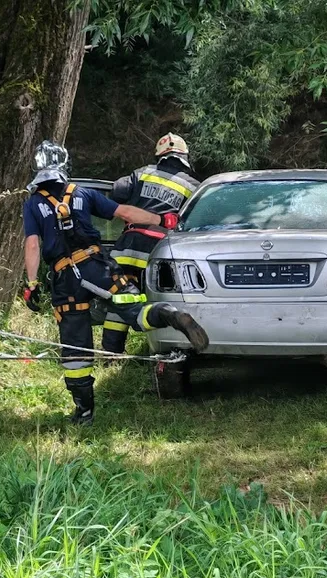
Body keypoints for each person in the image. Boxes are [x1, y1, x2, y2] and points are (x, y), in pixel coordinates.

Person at [21, 140, 210, 426]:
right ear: (65, 166)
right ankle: (168, 314)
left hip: (65, 281)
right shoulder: (83, 193)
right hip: (99, 268)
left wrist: (32, 283)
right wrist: (163, 218)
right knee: (133, 309)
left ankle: (84, 413)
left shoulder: (33, 203)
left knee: (76, 346)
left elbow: (33, 245)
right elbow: (125, 212)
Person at [101, 133, 201, 354]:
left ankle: (111, 353)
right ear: (184, 156)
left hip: (127, 248)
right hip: (159, 253)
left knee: (121, 298)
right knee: (158, 300)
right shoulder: (194, 187)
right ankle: (165, 349)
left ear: (160, 156)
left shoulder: (142, 173)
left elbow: (117, 190)